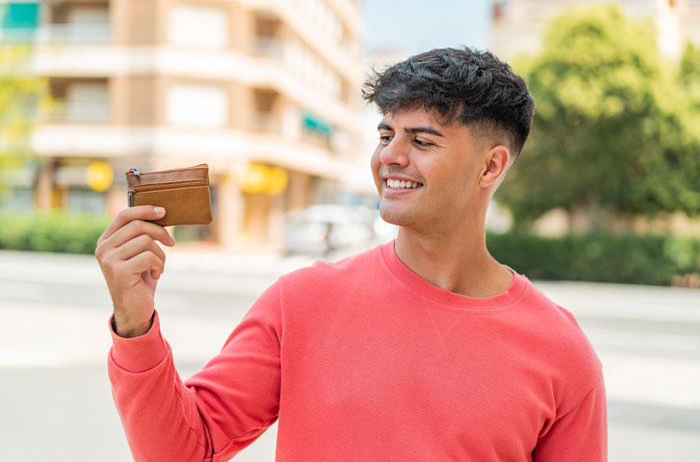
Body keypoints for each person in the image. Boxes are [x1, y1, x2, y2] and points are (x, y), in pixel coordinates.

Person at [96, 47, 606, 462]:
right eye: (386, 135)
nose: (389, 156)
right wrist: (135, 324)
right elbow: (185, 452)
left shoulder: (561, 352)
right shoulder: (301, 302)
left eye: (421, 140)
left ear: (491, 167)